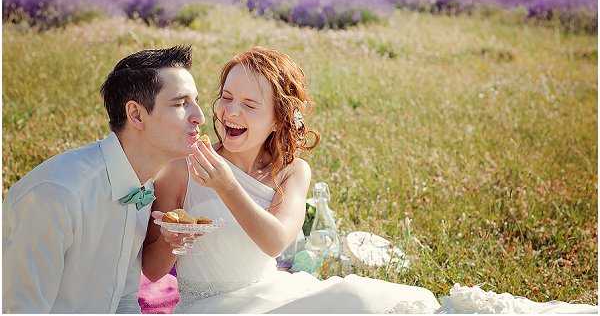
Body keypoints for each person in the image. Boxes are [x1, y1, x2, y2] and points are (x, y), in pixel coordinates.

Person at [142, 47, 597, 314]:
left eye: (248, 104)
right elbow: (154, 270)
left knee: (359, 299)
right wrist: (167, 240)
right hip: (209, 306)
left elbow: (277, 243)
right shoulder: (182, 165)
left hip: (270, 295)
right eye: (225, 97)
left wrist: (227, 187)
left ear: (279, 118)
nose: (230, 112)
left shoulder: (291, 171)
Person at [3, 45, 205, 313]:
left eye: (196, 102)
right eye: (181, 104)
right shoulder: (57, 195)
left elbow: (123, 299)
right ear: (135, 114)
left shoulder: (142, 185)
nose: (199, 117)